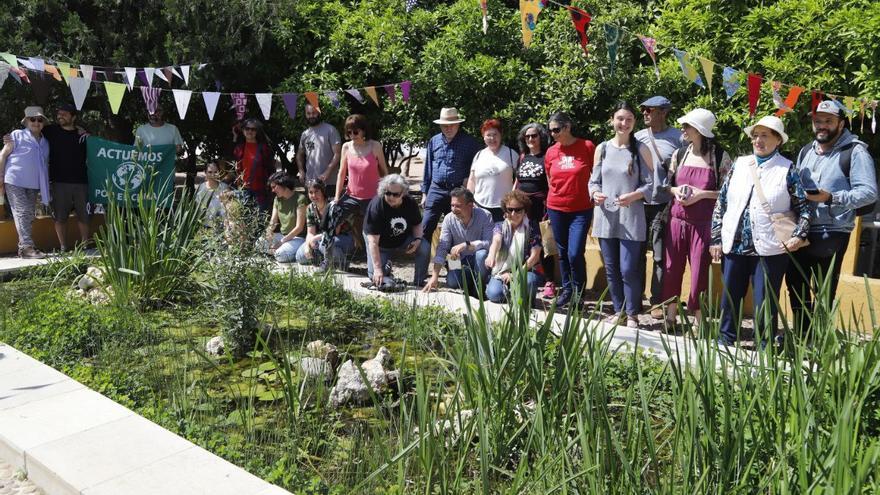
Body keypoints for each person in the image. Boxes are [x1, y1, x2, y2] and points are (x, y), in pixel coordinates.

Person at [710, 116, 810, 346]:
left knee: (765, 301)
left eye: (765, 135)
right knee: (730, 297)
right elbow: (721, 203)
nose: (758, 140)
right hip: (734, 244)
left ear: (778, 140)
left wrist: (798, 236)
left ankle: (764, 345)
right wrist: (715, 237)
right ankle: (726, 340)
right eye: (755, 135)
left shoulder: (787, 169)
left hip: (770, 248)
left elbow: (804, 210)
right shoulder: (740, 164)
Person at [787, 100, 878, 337]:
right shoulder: (806, 150)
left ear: (841, 122)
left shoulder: (855, 151)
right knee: (795, 285)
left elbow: (868, 192)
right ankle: (802, 338)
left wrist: (831, 197)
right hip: (802, 229)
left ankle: (821, 343)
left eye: (828, 121)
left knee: (824, 291)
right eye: (818, 121)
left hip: (833, 230)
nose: (822, 126)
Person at [659, 108, 732, 326]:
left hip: (703, 224)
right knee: (672, 268)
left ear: (700, 130)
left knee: (700, 270)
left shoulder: (720, 156)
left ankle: (699, 320)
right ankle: (670, 316)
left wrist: (702, 195)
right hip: (676, 220)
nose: (683, 129)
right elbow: (667, 186)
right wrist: (676, 191)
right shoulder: (680, 154)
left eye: (687, 126)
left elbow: (728, 193)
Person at [589, 102, 654, 328]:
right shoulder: (602, 148)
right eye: (619, 118)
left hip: (631, 218)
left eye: (628, 119)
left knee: (628, 268)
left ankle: (632, 312)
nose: (623, 123)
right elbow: (593, 181)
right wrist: (595, 193)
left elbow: (651, 184)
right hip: (606, 217)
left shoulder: (640, 149)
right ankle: (619, 311)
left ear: (634, 123)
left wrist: (634, 195)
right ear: (612, 120)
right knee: (612, 268)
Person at [635, 96, 684, 317]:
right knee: (634, 253)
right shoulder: (637, 137)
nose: (644, 113)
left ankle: (657, 300)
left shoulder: (678, 138)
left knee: (659, 255)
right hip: (637, 203)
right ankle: (634, 300)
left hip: (663, 203)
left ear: (663, 112)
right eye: (643, 109)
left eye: (650, 110)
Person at [544, 111, 596, 308]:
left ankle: (578, 291)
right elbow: (550, 179)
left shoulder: (587, 146)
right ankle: (567, 290)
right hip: (556, 207)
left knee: (575, 252)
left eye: (556, 130)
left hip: (581, 209)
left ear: (568, 127)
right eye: (550, 131)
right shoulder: (551, 152)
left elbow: (596, 174)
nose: (553, 134)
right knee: (563, 252)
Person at [420, 107, 482, 241]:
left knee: (456, 231)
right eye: (444, 125)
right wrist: (424, 193)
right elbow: (428, 168)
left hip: (458, 190)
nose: (448, 128)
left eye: (452, 125)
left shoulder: (470, 143)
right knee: (425, 229)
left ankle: (453, 262)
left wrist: (470, 185)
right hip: (436, 189)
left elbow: (478, 167)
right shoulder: (434, 141)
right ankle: (423, 261)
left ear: (458, 124)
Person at [38, 103, 91, 251]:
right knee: (60, 217)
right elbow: (35, 126)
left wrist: (88, 135)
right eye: (59, 113)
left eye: (65, 113)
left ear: (73, 117)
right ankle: (63, 247)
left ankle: (85, 245)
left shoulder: (83, 135)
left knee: (84, 215)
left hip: (82, 182)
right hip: (59, 182)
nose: (60, 115)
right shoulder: (51, 131)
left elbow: (94, 151)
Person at [0, 107, 51, 259]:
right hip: (15, 180)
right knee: (22, 212)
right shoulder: (16, 135)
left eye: (40, 120)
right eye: (32, 119)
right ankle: (27, 247)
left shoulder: (45, 142)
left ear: (43, 123)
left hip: (34, 184)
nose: (36, 122)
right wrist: (0, 176)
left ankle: (23, 249)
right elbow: (3, 155)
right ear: (27, 121)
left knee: (29, 215)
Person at [364, 174, 431, 289]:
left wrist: (418, 239)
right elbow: (373, 242)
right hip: (380, 244)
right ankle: (386, 267)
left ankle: (419, 281)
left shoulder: (410, 203)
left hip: (402, 239)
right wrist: (378, 268)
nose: (391, 197)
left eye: (396, 194)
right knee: (376, 277)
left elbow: (417, 223)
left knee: (424, 246)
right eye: (388, 193)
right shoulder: (376, 206)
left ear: (403, 193)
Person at [421, 187, 494, 295]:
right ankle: (470, 284)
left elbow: (489, 243)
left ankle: (479, 287)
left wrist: (467, 245)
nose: (454, 209)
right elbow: (442, 247)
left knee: (482, 254)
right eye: (452, 205)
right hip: (457, 259)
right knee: (452, 282)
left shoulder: (485, 215)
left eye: (458, 206)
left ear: (470, 205)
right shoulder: (448, 219)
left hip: (478, 260)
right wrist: (435, 276)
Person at [515, 122, 556, 295]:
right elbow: (517, 181)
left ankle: (550, 281)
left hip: (541, 206)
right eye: (527, 136)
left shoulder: (546, 156)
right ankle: (526, 273)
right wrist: (510, 202)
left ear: (541, 137)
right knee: (523, 241)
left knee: (545, 244)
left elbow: (550, 181)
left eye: (534, 135)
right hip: (522, 207)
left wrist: (551, 205)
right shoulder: (523, 156)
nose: (531, 139)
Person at [485, 190, 544, 305]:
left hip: (526, 270)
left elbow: (535, 257)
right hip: (503, 270)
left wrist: (516, 274)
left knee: (528, 282)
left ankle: (526, 298)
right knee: (494, 295)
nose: (513, 213)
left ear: (524, 210)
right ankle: (508, 291)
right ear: (505, 211)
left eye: (518, 210)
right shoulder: (500, 226)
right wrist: (491, 255)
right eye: (510, 209)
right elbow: (496, 241)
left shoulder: (532, 228)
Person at [334, 114, 389, 215]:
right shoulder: (346, 147)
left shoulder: (375, 146)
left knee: (371, 229)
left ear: (363, 130)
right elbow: (341, 173)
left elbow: (384, 171)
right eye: (349, 132)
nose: (352, 135)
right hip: (351, 197)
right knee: (333, 217)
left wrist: (386, 194)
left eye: (355, 132)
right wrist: (337, 197)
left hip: (373, 197)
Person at [297, 179, 354, 270]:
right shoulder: (310, 208)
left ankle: (341, 262)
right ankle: (327, 260)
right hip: (322, 238)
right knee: (300, 255)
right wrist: (308, 245)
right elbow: (310, 232)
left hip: (342, 238)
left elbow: (335, 231)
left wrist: (315, 238)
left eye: (316, 192)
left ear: (323, 192)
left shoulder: (333, 206)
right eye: (311, 192)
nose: (313, 195)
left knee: (323, 245)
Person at [466, 119, 516, 222]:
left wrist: (514, 200)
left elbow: (520, 179)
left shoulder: (511, 154)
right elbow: (472, 180)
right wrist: (469, 200)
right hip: (479, 206)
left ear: (501, 135)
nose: (492, 138)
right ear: (483, 137)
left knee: (501, 237)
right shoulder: (479, 155)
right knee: (482, 237)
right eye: (488, 135)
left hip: (504, 207)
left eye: (495, 134)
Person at [261, 171, 308, 263]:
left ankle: (292, 252)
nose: (273, 190)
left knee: (280, 255)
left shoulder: (300, 198)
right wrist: (268, 233)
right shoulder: (277, 199)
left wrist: (282, 242)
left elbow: (299, 227)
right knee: (259, 244)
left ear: (283, 184)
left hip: (297, 237)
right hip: (283, 235)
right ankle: (282, 251)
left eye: (274, 187)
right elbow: (273, 222)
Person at [296, 103, 341, 198]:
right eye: (308, 113)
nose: (311, 116)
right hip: (311, 183)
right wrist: (301, 170)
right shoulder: (305, 134)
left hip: (330, 182)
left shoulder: (330, 130)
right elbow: (299, 154)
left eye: (314, 113)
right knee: (314, 211)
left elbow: (337, 154)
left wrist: (327, 172)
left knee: (330, 211)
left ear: (319, 113)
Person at [233, 118, 276, 212]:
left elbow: (270, 169)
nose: (250, 131)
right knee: (244, 219)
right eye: (247, 128)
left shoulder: (264, 148)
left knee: (260, 220)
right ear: (243, 130)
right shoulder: (239, 148)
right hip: (243, 190)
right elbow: (235, 168)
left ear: (257, 131)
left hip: (260, 190)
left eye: (253, 129)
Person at [195, 160, 230, 228]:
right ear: (205, 172)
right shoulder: (201, 188)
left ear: (219, 172)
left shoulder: (224, 187)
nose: (213, 175)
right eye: (210, 172)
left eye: (215, 172)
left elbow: (229, 208)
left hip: (222, 227)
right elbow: (198, 209)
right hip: (204, 227)